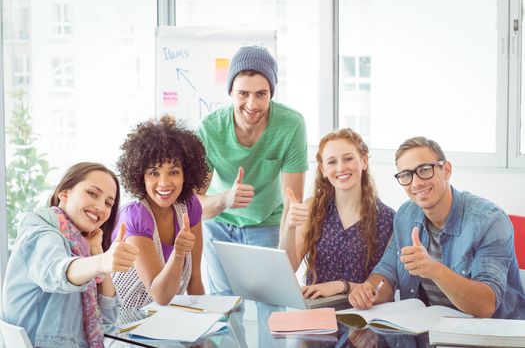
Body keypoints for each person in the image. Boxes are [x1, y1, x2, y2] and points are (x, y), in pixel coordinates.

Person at [349, 136, 525, 319]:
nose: (416, 183)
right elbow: (386, 271)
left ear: (446, 170)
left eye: (425, 169)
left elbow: (486, 305)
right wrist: (369, 290)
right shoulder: (406, 215)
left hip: (491, 335)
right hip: (430, 332)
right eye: (406, 175)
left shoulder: (489, 221)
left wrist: (433, 269)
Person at [196, 45, 308, 295]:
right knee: (223, 306)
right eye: (243, 93)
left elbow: (293, 201)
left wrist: (287, 253)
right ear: (231, 92)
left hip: (267, 223)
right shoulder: (209, 129)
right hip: (219, 224)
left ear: (271, 93)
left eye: (261, 94)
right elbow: (195, 205)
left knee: (271, 301)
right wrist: (226, 199)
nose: (252, 104)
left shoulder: (291, 125)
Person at [1, 162, 138, 347]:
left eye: (108, 203)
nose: (100, 206)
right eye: (92, 193)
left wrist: (96, 249)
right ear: (64, 193)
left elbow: (109, 316)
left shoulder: (80, 244)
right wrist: (101, 261)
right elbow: (57, 271)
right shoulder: (40, 231)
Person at [279, 128, 395, 298]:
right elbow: (286, 269)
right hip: (318, 311)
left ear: (364, 161)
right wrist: (289, 227)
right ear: (323, 170)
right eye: (332, 162)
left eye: (348, 159)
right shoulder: (313, 207)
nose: (341, 168)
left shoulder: (387, 218)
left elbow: (385, 289)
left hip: (363, 315)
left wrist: (341, 287)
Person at [112, 115, 207, 308]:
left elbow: (194, 280)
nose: (164, 183)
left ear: (185, 174)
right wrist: (178, 254)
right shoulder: (134, 216)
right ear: (141, 176)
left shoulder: (189, 206)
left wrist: (206, 320)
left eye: (173, 172)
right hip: (123, 322)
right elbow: (160, 295)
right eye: (154, 173)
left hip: (163, 317)